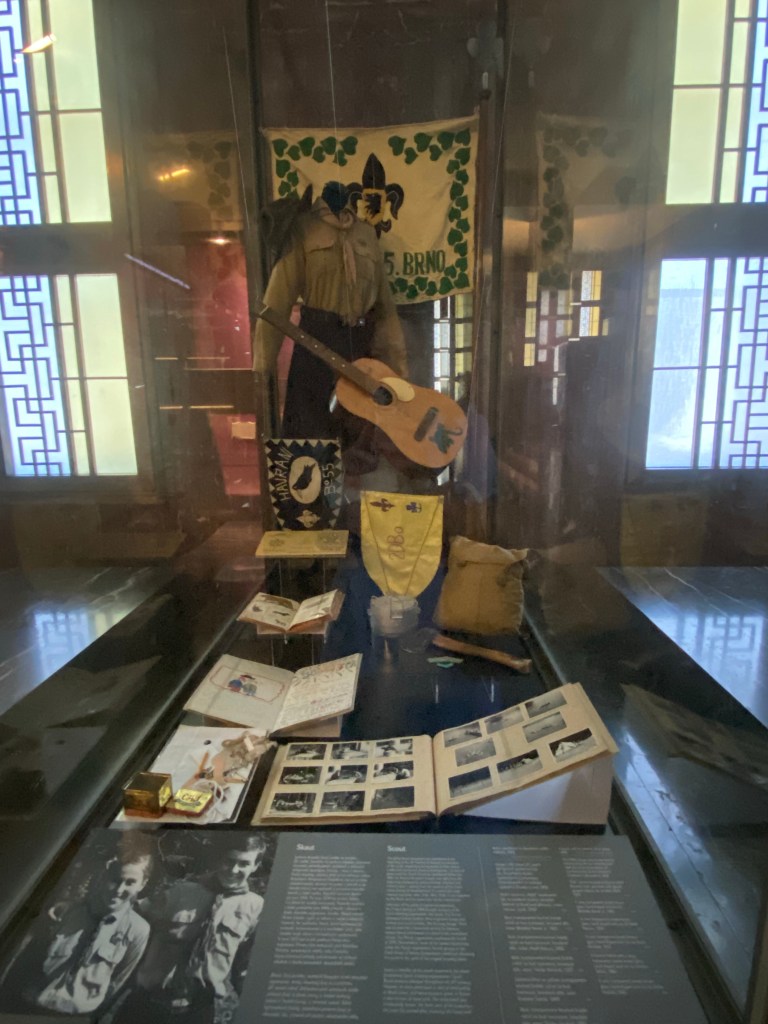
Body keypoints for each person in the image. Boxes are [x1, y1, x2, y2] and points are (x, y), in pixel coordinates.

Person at [253, 181, 408, 457]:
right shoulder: (303, 230)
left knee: (359, 440)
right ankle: (311, 485)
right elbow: (276, 302)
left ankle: (352, 484)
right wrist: (262, 368)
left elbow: (385, 309)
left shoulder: (366, 234)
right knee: (308, 440)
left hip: (360, 347)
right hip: (316, 341)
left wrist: (398, 369)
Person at [0, 850, 153, 1016]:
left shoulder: (139, 930)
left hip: (76, 1015)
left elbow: (117, 981)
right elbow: (25, 959)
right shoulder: (69, 910)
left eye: (130, 883)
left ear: (143, 884)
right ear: (105, 875)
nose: (119, 889)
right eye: (115, 880)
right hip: (28, 1005)